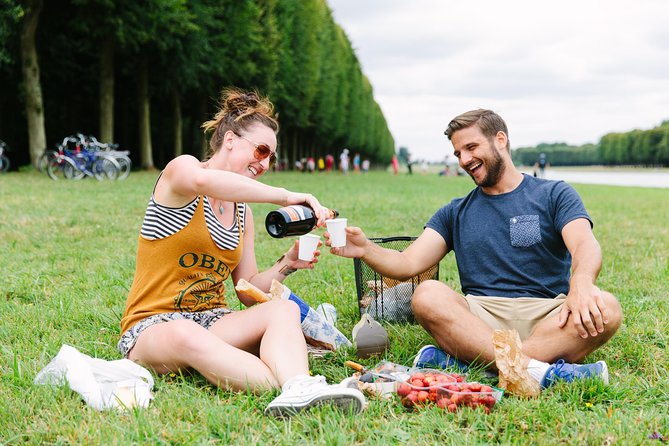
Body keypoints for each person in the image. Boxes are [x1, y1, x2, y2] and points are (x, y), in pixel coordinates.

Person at [328, 109, 622, 390]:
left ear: (500, 140)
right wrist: (365, 248)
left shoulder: (554, 193)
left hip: (549, 315)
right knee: (427, 294)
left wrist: (581, 283)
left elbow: (584, 243)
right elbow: (407, 262)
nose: (465, 159)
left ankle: (473, 364)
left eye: (471, 147)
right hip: (481, 317)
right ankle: (539, 372)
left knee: (607, 307)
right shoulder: (455, 212)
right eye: (458, 153)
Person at [118, 88, 365, 417]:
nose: (264, 164)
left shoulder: (241, 212)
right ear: (230, 139)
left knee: (283, 312)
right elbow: (203, 181)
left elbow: (247, 288)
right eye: (261, 151)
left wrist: (288, 263)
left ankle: (299, 388)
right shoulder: (182, 172)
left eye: (271, 158)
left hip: (213, 320)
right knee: (186, 333)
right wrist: (286, 196)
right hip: (153, 326)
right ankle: (294, 382)